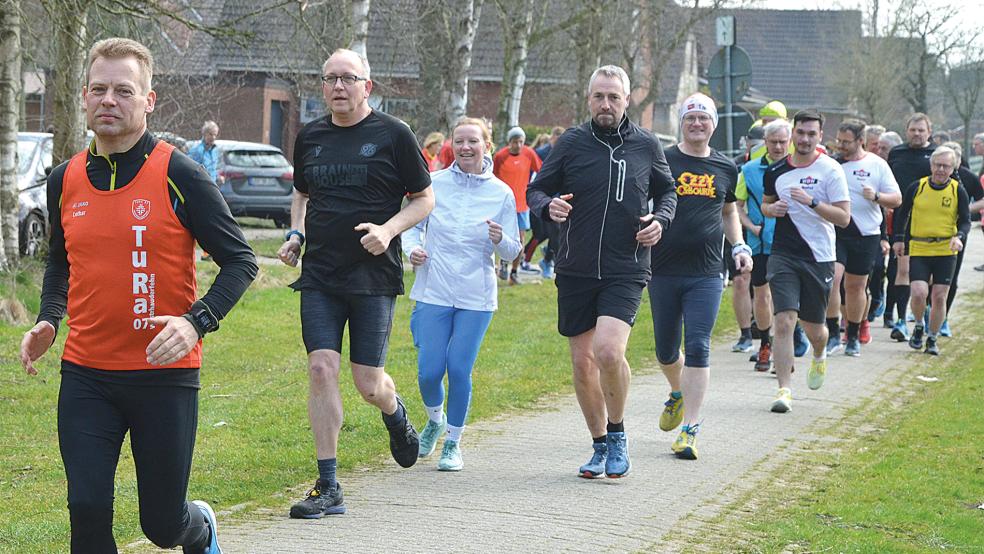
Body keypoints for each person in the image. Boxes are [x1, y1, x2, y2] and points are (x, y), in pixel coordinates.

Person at [19, 37, 258, 554]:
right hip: (86, 374)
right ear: (84, 96)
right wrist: (48, 319)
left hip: (163, 377)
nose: (109, 99)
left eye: (123, 90)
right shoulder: (63, 179)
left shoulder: (179, 173)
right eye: (99, 89)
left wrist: (196, 321)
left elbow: (242, 261)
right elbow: (61, 263)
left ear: (148, 101)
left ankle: (202, 529)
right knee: (85, 512)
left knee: (162, 526)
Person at [277, 48, 434, 518]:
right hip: (321, 275)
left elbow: (424, 199)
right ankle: (328, 485)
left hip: (373, 277)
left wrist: (388, 231)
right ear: (322, 87)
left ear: (368, 85)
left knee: (368, 384)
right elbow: (302, 194)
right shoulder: (311, 136)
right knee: (321, 369)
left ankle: (395, 412)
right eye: (330, 79)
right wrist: (297, 234)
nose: (339, 87)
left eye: (349, 78)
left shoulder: (394, 135)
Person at [527, 64, 676, 478]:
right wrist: (547, 206)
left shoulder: (646, 144)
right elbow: (536, 189)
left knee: (609, 351)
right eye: (599, 96)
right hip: (575, 266)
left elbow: (667, 191)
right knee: (582, 364)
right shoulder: (572, 143)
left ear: (626, 99)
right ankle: (598, 445)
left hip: (625, 266)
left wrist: (660, 220)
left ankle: (618, 433)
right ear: (588, 99)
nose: (606, 104)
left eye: (614, 96)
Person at [402, 117, 522, 471]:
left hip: (475, 295)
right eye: (460, 141)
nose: (466, 147)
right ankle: (435, 419)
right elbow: (412, 227)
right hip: (434, 287)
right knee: (428, 371)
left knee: (458, 368)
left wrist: (501, 240)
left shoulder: (501, 192)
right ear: (451, 144)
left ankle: (452, 442)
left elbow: (513, 251)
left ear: (487, 144)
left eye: (474, 141)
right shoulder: (433, 184)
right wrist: (413, 249)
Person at [650, 93, 750, 460]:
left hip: (707, 271)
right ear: (682, 122)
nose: (696, 124)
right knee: (664, 349)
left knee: (698, 345)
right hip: (661, 268)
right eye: (690, 117)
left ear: (713, 124)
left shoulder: (725, 167)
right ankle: (677, 391)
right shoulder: (661, 161)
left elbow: (728, 212)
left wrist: (738, 245)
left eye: (703, 118)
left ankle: (690, 429)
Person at [761, 109, 851, 413]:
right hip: (783, 254)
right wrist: (769, 211)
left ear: (820, 136)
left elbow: (843, 218)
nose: (805, 139)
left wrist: (812, 202)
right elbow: (766, 203)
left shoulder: (831, 170)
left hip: (820, 257)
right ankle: (784, 389)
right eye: (800, 132)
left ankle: (820, 353)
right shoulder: (775, 171)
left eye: (812, 134)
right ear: (792, 134)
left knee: (815, 329)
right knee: (784, 320)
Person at [828, 119, 901, 357]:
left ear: (861, 141)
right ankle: (832, 333)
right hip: (838, 229)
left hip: (866, 233)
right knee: (833, 279)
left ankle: (853, 334)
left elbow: (897, 199)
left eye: (846, 142)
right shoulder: (832, 164)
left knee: (856, 286)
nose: (841, 146)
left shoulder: (876, 165)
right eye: (839, 141)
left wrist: (877, 196)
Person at [892, 145, 969, 355]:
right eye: (937, 165)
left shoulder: (957, 190)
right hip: (919, 246)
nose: (941, 170)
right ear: (931, 165)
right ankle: (918, 324)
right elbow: (902, 214)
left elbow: (965, 221)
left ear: (953, 169)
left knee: (939, 296)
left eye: (946, 166)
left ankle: (932, 338)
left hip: (946, 249)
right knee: (918, 292)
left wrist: (959, 237)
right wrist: (899, 239)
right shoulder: (917, 187)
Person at [736, 119, 793, 372]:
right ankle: (765, 343)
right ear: (765, 143)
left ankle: (787, 345)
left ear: (790, 142)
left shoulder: (797, 168)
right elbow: (736, 207)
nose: (778, 147)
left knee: (787, 295)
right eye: (774, 142)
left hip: (791, 241)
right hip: (759, 241)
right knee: (762, 294)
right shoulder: (749, 170)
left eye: (783, 142)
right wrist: (751, 227)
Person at [885, 113, 934, 340]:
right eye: (913, 129)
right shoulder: (897, 153)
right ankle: (901, 320)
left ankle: (924, 314)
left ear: (929, 132)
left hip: (929, 220)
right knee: (901, 271)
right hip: (902, 218)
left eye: (921, 130)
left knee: (927, 274)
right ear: (907, 131)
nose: (917, 134)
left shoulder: (935, 155)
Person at [493, 126, 543, 284]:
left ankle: (514, 272)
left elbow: (541, 170)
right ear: (509, 142)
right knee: (501, 236)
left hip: (522, 204)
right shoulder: (500, 156)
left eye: (521, 142)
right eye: (515, 142)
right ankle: (502, 264)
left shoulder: (529, 153)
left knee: (519, 240)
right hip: (504, 205)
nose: (519, 145)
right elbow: (492, 179)